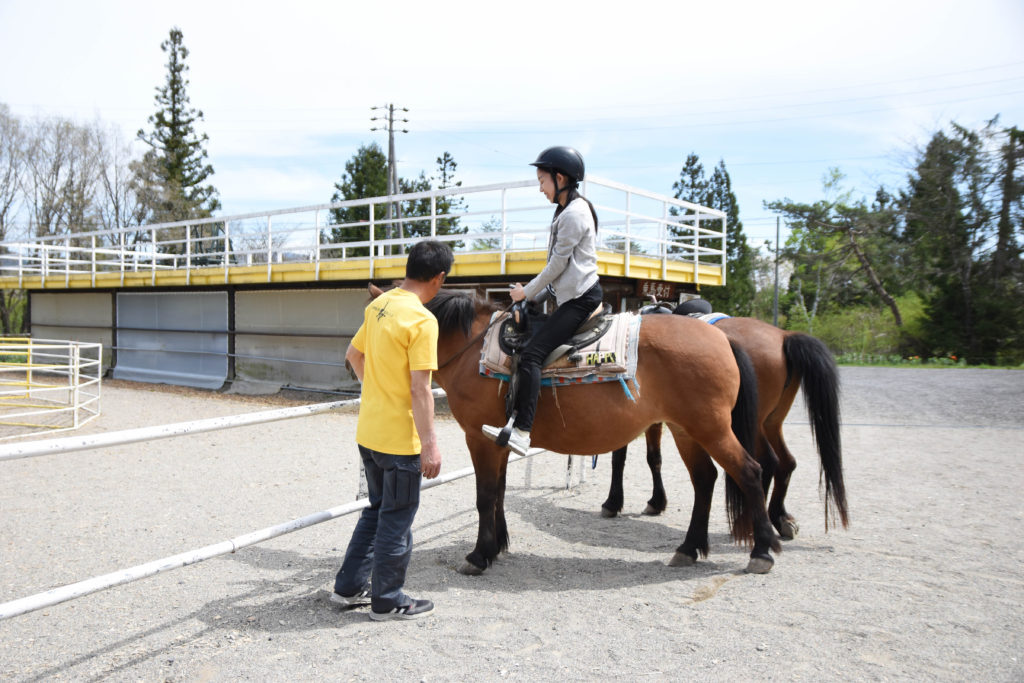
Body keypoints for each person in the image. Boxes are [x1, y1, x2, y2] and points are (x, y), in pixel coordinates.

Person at [330, 239, 452, 621]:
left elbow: (353, 355)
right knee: (397, 518)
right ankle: (387, 598)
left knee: (377, 509)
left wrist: (377, 391)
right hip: (399, 440)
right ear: (439, 278)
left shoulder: (379, 304)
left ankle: (348, 587)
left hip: (369, 432)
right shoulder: (421, 320)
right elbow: (420, 389)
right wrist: (430, 445)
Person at [482, 146, 602, 456]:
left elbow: (557, 266)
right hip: (572, 294)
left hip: (580, 300)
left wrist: (527, 292)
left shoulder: (574, 213)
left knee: (533, 355)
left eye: (542, 180)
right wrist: (537, 294)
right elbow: (563, 270)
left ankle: (522, 430)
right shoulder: (566, 209)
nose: (540, 188)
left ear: (560, 178)